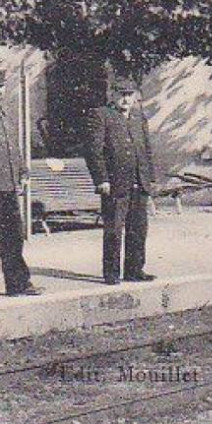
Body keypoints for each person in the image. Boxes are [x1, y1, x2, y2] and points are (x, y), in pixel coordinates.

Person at [84, 75, 158, 285]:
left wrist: (149, 178)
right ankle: (112, 273)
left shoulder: (138, 118)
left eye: (129, 95)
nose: (125, 99)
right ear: (112, 95)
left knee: (138, 229)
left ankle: (134, 270)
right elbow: (93, 151)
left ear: (135, 96)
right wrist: (101, 179)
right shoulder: (101, 116)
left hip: (138, 182)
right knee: (114, 229)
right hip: (115, 184)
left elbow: (146, 150)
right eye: (121, 94)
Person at [0, 67, 40, 299]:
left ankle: (18, 284)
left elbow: (13, 146)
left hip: (9, 184)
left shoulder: (3, 113)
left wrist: (23, 172)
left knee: (13, 235)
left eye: (0, 87)